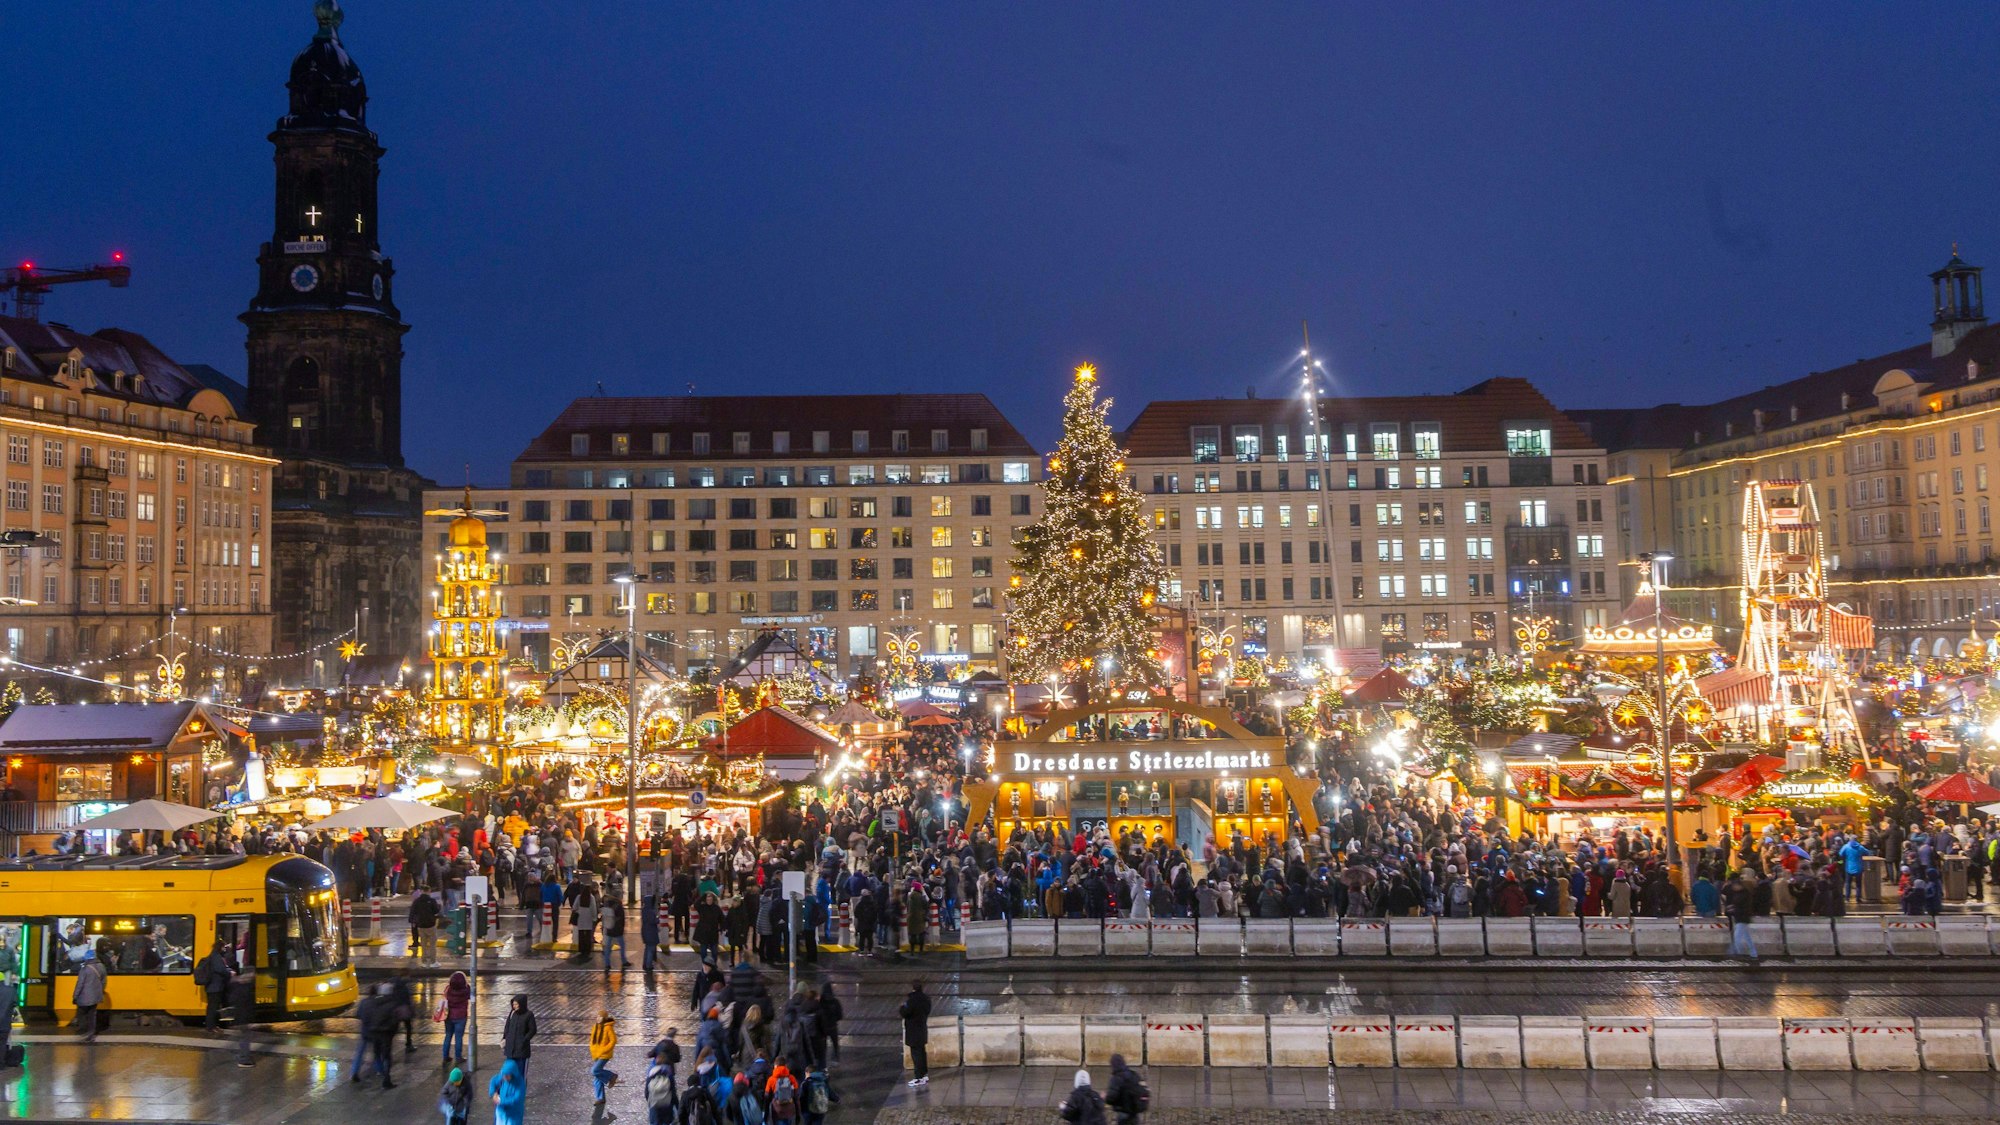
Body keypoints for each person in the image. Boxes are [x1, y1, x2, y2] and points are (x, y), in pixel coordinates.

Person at [197, 940, 235, 1034]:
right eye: (223, 947)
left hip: (213, 986)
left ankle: (213, 1026)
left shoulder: (214, 955)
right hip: (214, 987)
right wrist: (230, 973)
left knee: (213, 1007)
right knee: (213, 1008)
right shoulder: (216, 957)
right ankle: (211, 1027)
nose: (224, 949)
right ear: (220, 947)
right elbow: (220, 969)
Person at [71, 945, 107, 1043]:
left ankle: (83, 1032)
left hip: (84, 997)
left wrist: (75, 996)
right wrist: (100, 991)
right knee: (92, 1015)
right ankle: (91, 1033)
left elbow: (80, 984)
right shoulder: (101, 966)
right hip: (96, 996)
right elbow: (104, 982)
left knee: (81, 1014)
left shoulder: (85, 969)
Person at [900, 980, 931, 1088]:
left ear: (913, 988)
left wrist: (902, 1007)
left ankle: (918, 1077)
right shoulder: (926, 999)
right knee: (922, 1052)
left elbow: (905, 1012)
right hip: (922, 1029)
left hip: (913, 1031)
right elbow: (927, 1011)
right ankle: (924, 1074)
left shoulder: (912, 1000)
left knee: (916, 1054)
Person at [438, 970, 471, 1069]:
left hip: (448, 1016)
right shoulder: (466, 989)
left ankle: (445, 1056)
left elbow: (444, 997)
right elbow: (469, 996)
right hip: (461, 1016)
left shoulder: (448, 989)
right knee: (458, 1037)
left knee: (448, 1035)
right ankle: (458, 1056)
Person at [1724, 870, 1759, 960]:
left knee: (1737, 937)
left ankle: (1736, 953)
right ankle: (1753, 954)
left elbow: (1741, 905)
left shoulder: (1744, 894)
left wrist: (1733, 908)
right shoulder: (1742, 893)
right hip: (1741, 917)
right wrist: (1732, 907)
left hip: (1742, 918)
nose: (1733, 888)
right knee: (1747, 937)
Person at [643, 1040, 680, 1125]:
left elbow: (646, 1092)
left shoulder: (651, 1074)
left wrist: (650, 1101)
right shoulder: (669, 1074)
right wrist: (677, 1106)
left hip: (654, 1105)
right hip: (666, 1105)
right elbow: (673, 1093)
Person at [589, 1008, 620, 1105]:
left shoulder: (608, 1028)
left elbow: (613, 1040)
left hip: (604, 1055)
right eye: (597, 1016)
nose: (598, 1018)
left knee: (594, 1071)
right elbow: (592, 1040)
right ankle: (600, 1098)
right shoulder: (595, 1027)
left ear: (604, 1018)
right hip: (596, 1054)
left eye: (600, 1017)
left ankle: (612, 1076)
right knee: (597, 1077)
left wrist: (604, 1049)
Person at [503, 995, 538, 1078]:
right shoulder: (512, 1013)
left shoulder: (529, 1015)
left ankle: (520, 1090)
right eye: (513, 1004)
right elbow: (507, 1026)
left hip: (522, 1051)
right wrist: (505, 1038)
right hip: (510, 1049)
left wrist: (524, 1040)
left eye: (516, 1004)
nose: (514, 1006)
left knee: (520, 1073)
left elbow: (533, 1030)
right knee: (509, 1072)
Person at [409, 889, 443, 967]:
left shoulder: (417, 901)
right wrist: (439, 906)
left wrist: (413, 922)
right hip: (431, 925)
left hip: (420, 925)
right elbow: (436, 911)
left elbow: (413, 912)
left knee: (423, 944)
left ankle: (424, 962)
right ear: (428, 891)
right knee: (432, 944)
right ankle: (433, 962)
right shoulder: (431, 900)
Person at [489, 1057, 526, 1125]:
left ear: (512, 1074)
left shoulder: (520, 1084)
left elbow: (517, 1099)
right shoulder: (503, 1076)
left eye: (506, 1076)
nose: (504, 1077)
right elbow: (493, 1081)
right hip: (501, 1111)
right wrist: (493, 1093)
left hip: (513, 1114)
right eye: (504, 1075)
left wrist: (501, 1101)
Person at [602, 894, 629, 970]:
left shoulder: (608, 906)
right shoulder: (619, 907)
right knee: (622, 946)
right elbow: (621, 919)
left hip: (610, 928)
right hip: (618, 930)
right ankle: (624, 961)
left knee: (608, 947)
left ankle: (607, 964)